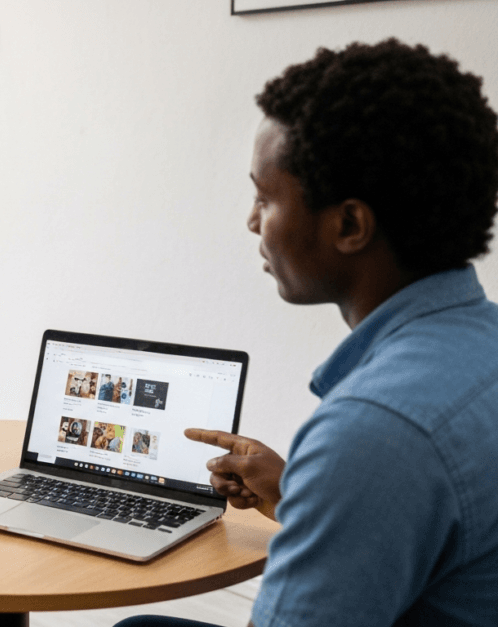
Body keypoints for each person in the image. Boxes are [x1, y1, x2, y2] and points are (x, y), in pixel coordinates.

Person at [118, 39, 498, 627]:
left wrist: (334, 475)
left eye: (265, 197)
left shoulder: (374, 427)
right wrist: (300, 493)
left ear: (349, 224)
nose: (252, 221)